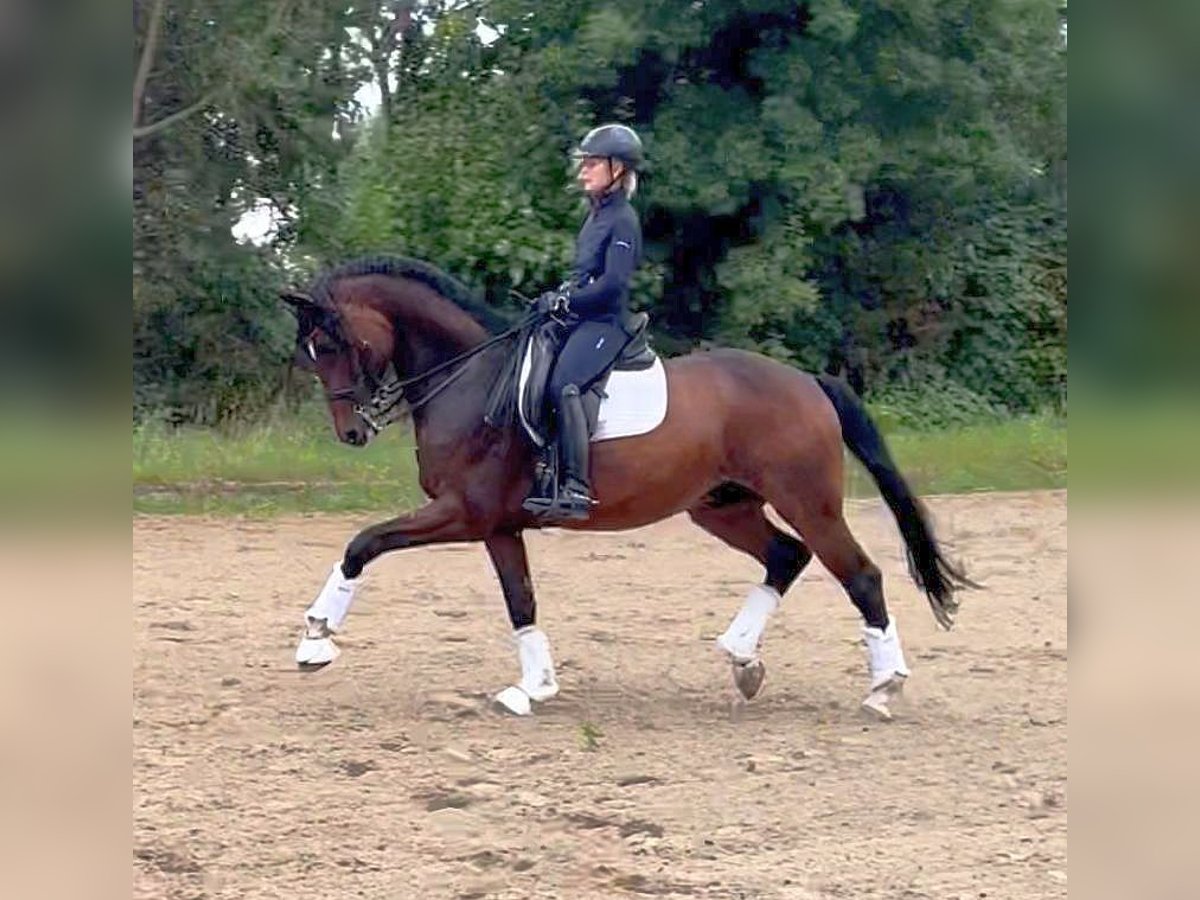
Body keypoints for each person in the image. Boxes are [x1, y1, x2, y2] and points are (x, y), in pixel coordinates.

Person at [523, 123, 646, 522]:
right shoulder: (595, 217)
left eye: (592, 164)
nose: (582, 172)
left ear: (618, 169)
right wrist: (557, 296)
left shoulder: (623, 220)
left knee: (565, 384)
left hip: (607, 324)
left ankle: (576, 486)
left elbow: (612, 286)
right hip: (583, 318)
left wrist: (567, 299)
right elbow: (582, 276)